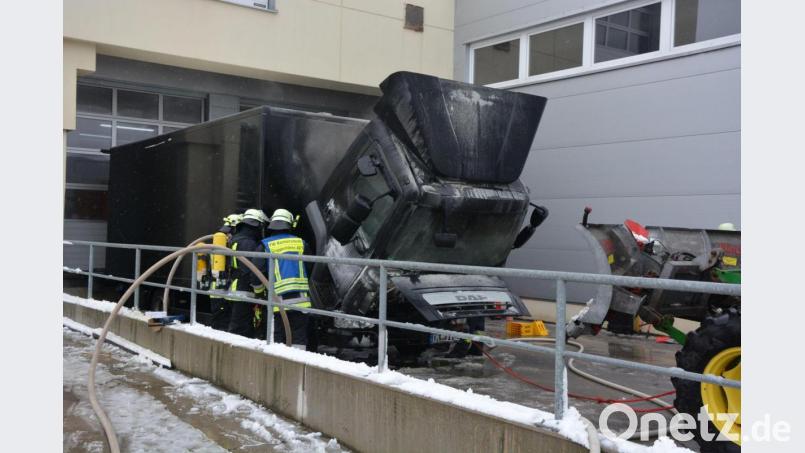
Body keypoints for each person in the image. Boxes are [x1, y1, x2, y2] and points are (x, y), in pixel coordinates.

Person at [254, 208, 313, 349]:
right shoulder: (301, 243)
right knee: (299, 337)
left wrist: (259, 293)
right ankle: (297, 364)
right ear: (289, 224)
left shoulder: (265, 245)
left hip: (278, 301)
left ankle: (279, 367)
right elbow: (310, 266)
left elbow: (257, 273)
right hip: (301, 300)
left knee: (278, 338)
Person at [226, 208, 270, 338]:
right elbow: (252, 271)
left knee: (236, 326)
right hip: (245, 291)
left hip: (235, 288)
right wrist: (259, 292)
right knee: (241, 330)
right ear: (256, 225)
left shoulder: (236, 239)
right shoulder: (249, 243)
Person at [208, 213, 243, 331]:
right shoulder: (227, 241)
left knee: (218, 320)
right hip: (222, 288)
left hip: (215, 286)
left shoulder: (218, 239)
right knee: (223, 322)